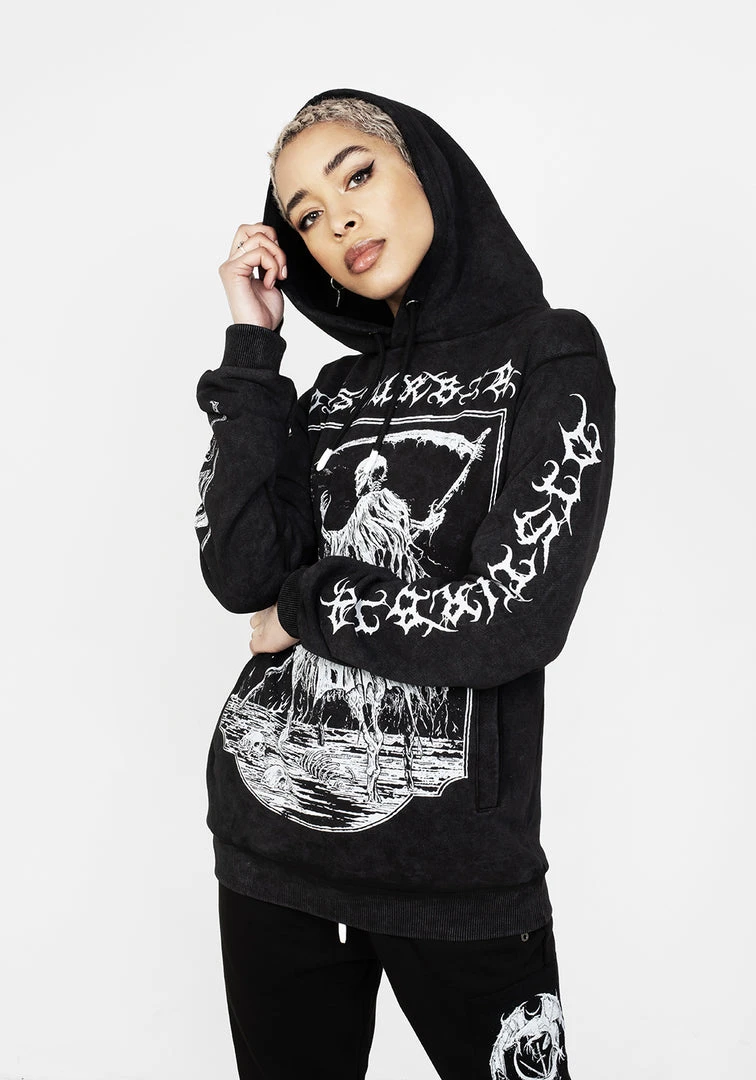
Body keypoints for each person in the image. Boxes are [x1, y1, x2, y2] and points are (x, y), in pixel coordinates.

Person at [194, 87, 616, 1080]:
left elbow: (509, 619)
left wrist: (303, 609)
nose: (337, 221)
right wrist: (253, 351)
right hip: (271, 856)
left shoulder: (552, 355)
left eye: (357, 176)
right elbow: (239, 571)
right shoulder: (332, 394)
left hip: (458, 880)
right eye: (305, 215)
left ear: (426, 170)